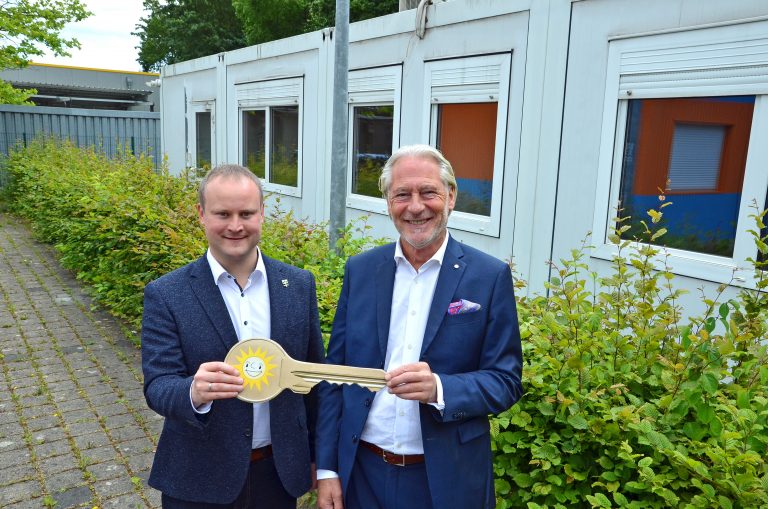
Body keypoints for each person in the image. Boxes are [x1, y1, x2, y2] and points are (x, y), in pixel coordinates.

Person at [314, 144, 523, 509]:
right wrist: (328, 469)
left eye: (428, 192)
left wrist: (440, 388)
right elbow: (335, 375)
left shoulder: (489, 276)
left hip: (445, 479)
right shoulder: (361, 270)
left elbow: (506, 381)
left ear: (451, 196)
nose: (415, 206)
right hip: (362, 472)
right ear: (388, 202)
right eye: (402, 195)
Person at [141, 164, 324, 508]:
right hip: (198, 475)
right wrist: (194, 390)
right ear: (201, 214)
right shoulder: (167, 293)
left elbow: (313, 381)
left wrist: (318, 457)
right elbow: (158, 385)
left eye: (246, 213)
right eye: (223, 213)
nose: (236, 225)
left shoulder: (298, 285)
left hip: (278, 473)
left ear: (262, 214)